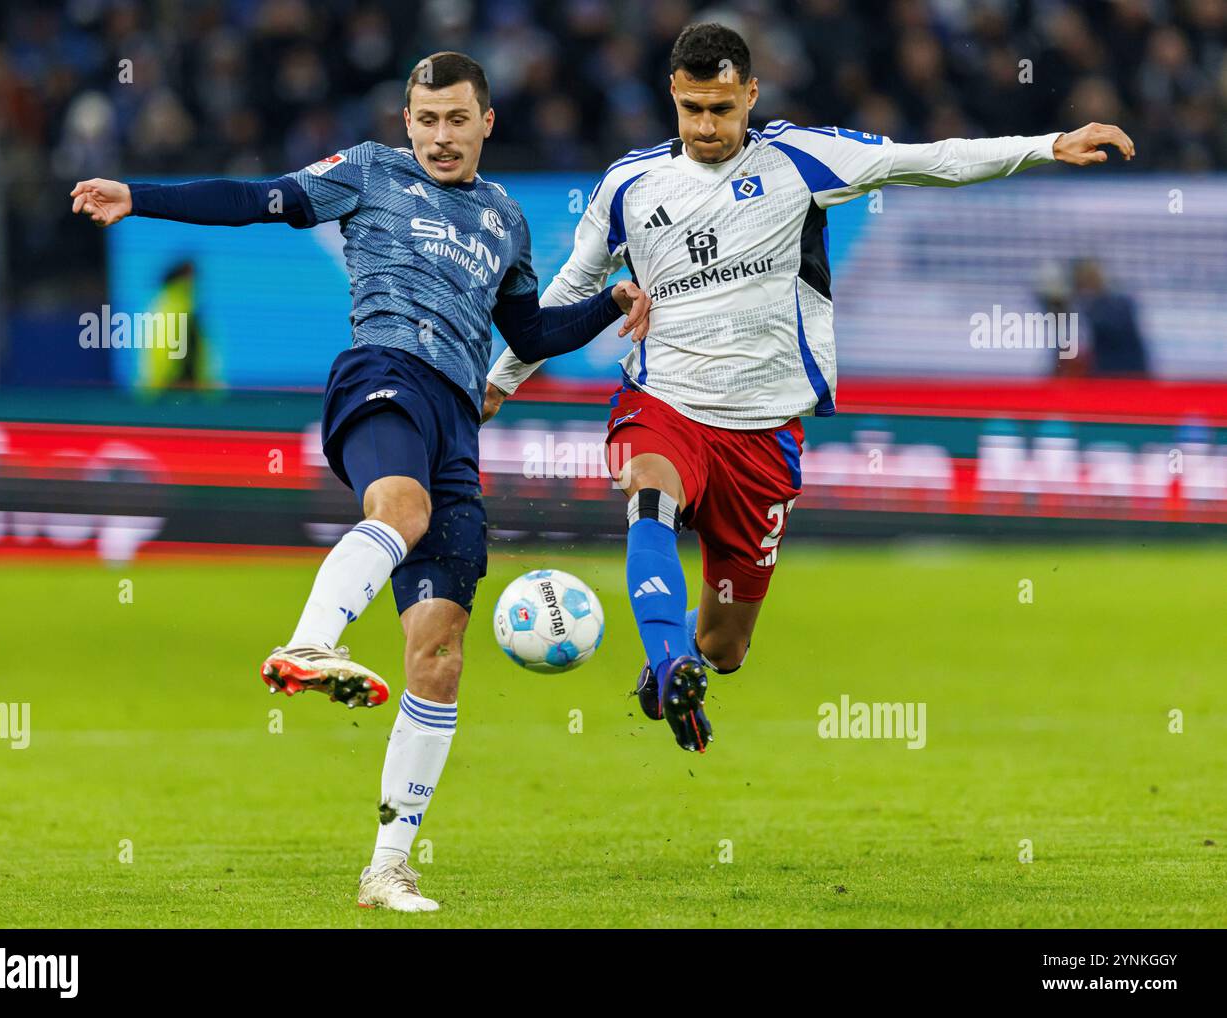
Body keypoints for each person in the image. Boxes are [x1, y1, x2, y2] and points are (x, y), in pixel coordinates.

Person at [72, 51, 650, 911]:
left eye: (458, 119)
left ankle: (387, 867)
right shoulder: (368, 172)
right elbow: (259, 199)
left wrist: (609, 303)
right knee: (400, 508)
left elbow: (525, 327)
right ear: (405, 123)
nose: (441, 136)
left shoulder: (505, 218)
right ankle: (310, 639)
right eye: (426, 120)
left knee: (441, 653)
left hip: (458, 416)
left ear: (487, 121)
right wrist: (140, 195)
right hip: (382, 371)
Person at [483, 22, 1134, 754]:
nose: (706, 126)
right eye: (692, 108)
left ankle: (683, 660)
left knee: (726, 648)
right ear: (673, 94)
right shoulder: (629, 184)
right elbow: (572, 289)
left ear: (751, 95)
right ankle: (669, 663)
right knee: (649, 496)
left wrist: (1046, 144)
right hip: (663, 403)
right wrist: (500, 381)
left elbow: (928, 161)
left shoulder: (802, 160)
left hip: (765, 433)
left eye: (722, 109)